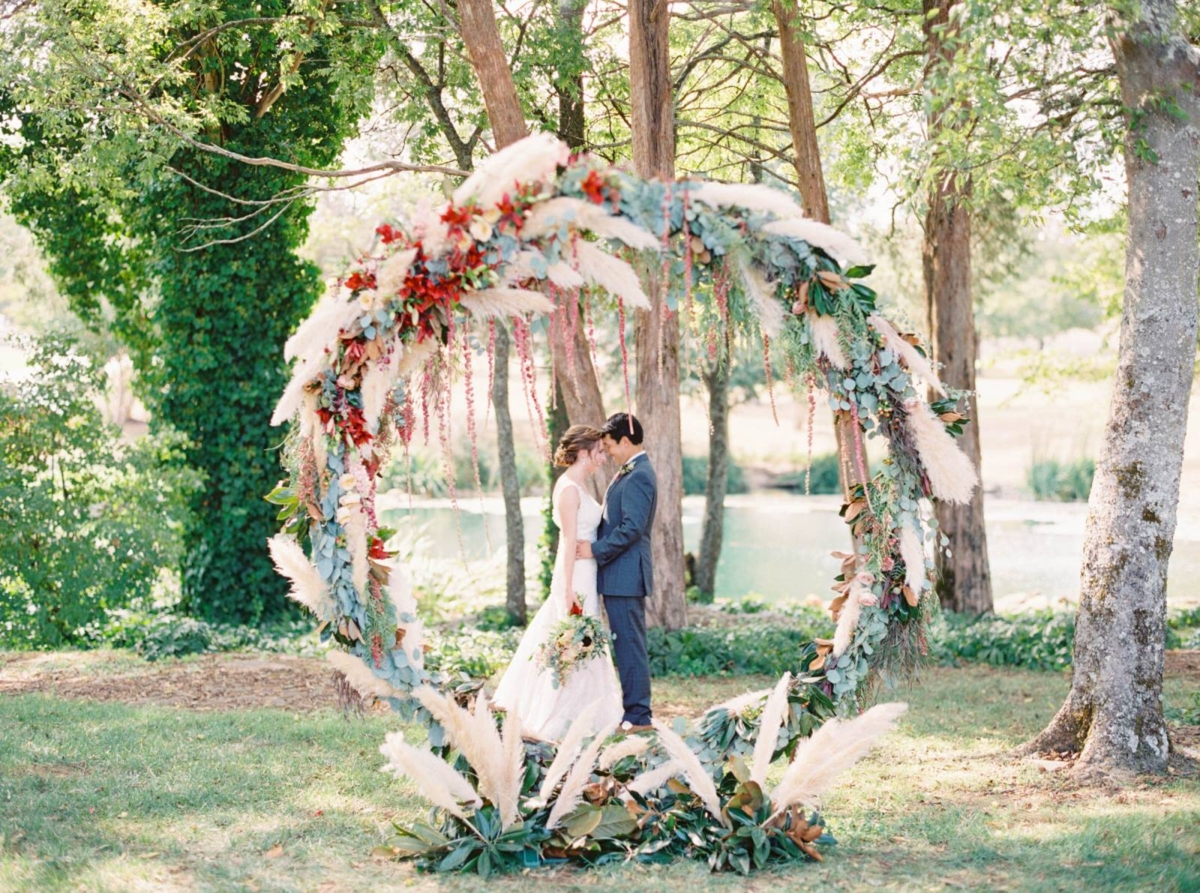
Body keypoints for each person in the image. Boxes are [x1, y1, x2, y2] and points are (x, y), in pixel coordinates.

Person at [492, 425, 623, 740]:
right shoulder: (568, 490)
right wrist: (566, 590)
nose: (604, 456)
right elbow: (566, 542)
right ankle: (554, 711)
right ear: (583, 452)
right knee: (572, 641)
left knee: (582, 641)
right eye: (599, 451)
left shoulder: (580, 485)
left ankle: (587, 711)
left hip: (587, 573)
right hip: (575, 576)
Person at [576, 412, 657, 732]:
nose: (607, 451)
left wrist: (595, 550)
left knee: (630, 646)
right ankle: (633, 711)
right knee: (625, 644)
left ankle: (639, 715)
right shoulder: (631, 471)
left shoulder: (640, 475)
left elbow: (632, 528)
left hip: (626, 576)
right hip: (618, 575)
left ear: (625, 441)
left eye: (609, 445)